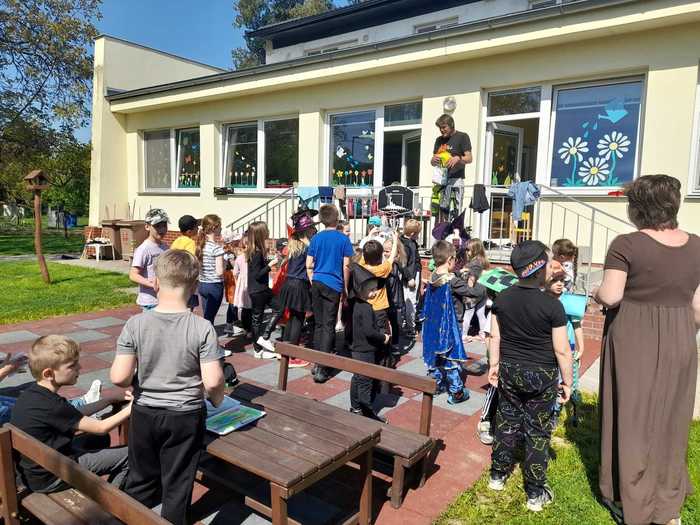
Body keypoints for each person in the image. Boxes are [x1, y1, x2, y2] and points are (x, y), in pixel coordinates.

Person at [595, 175, 700, 525]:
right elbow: (699, 309)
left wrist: (595, 292)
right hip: (681, 336)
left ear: (638, 208)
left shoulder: (626, 244)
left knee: (633, 418)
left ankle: (632, 500)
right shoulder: (698, 245)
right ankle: (667, 505)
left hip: (634, 337)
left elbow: (612, 295)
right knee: (671, 419)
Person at [110, 249, 225, 525]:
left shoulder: (135, 324)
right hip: (184, 415)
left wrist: (135, 381)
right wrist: (217, 399)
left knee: (141, 476)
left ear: (156, 283)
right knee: (178, 482)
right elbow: (213, 381)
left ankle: (131, 518)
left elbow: (119, 377)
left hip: (144, 412)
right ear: (194, 286)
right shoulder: (202, 327)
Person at [487, 240, 572, 512]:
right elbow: (562, 350)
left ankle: (497, 475)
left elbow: (495, 337)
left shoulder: (502, 298)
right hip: (542, 375)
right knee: (537, 431)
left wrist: (493, 365)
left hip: (510, 370)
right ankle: (535, 493)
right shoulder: (552, 305)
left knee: (506, 422)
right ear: (538, 268)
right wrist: (567, 381)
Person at [10, 335, 131, 493]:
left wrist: (108, 400)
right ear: (48, 374)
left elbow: (73, 414)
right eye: (72, 365)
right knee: (131, 456)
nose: (79, 367)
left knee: (99, 439)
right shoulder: (52, 405)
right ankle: (113, 500)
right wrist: (131, 407)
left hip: (36, 471)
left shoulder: (33, 394)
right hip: (52, 476)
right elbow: (101, 427)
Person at [259, 213, 316, 369]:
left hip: (289, 284)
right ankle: (292, 356)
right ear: (306, 230)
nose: (313, 230)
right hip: (299, 285)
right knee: (298, 319)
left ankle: (285, 351)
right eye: (311, 227)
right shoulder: (307, 247)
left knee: (292, 318)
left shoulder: (293, 245)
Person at [306, 205, 354, 383]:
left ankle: (317, 362)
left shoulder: (316, 238)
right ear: (336, 218)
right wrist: (345, 288)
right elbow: (346, 265)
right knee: (328, 325)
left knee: (319, 324)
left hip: (318, 282)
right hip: (333, 284)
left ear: (322, 219)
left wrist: (313, 280)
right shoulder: (343, 239)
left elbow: (308, 264)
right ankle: (322, 367)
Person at [422, 240, 470, 404]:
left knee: (436, 354)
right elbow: (472, 292)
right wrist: (471, 280)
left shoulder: (433, 275)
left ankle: (434, 385)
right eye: (455, 259)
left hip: (433, 323)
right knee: (451, 356)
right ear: (450, 260)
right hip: (450, 324)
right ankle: (456, 392)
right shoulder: (452, 280)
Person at [545, 261, 584, 421]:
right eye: (555, 280)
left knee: (564, 380)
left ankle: (556, 413)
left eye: (562, 280)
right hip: (547, 348)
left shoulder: (569, 301)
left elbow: (577, 325)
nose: (560, 283)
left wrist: (581, 348)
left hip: (567, 348)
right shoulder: (541, 300)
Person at [349, 276, 391, 422]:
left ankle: (355, 407)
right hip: (366, 350)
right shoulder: (366, 307)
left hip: (356, 348)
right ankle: (367, 413)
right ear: (361, 290)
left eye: (375, 289)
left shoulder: (355, 304)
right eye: (371, 290)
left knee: (357, 378)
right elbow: (369, 332)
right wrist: (383, 337)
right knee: (365, 381)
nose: (375, 292)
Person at [246, 221, 283, 359]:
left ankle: (258, 350)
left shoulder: (253, 250)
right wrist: (270, 265)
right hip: (259, 290)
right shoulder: (256, 252)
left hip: (256, 290)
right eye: (266, 230)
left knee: (257, 319)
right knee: (279, 308)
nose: (268, 231)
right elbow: (257, 274)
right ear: (260, 234)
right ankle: (265, 337)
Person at [430, 114, 472, 221]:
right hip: (440, 181)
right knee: (441, 213)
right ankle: (442, 231)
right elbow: (433, 161)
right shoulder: (439, 140)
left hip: (456, 180)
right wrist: (432, 160)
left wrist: (458, 158)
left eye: (444, 127)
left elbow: (469, 158)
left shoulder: (462, 137)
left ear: (451, 125)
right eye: (440, 128)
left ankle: (455, 231)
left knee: (456, 213)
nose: (441, 130)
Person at [130, 208, 169, 310]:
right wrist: (152, 284)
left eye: (164, 225)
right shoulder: (144, 249)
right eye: (157, 226)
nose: (162, 229)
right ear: (147, 227)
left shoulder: (165, 247)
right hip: (151, 302)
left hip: (165, 299)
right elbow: (133, 275)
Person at [196, 214, 225, 326]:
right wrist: (225, 263)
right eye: (220, 226)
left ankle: (206, 335)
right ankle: (207, 336)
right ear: (214, 228)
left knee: (207, 315)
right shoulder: (217, 248)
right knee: (209, 319)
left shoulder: (201, 245)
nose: (221, 228)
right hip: (214, 285)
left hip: (202, 284)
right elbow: (219, 272)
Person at [383, 237, 407, 357]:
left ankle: (395, 344)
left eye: (388, 251)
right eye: (384, 251)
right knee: (385, 322)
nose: (385, 253)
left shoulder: (396, 264)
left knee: (395, 323)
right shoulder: (386, 263)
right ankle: (387, 343)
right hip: (388, 298)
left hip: (394, 299)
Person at [171, 214, 201, 310]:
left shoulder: (176, 241)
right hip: (186, 279)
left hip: (175, 277)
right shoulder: (190, 243)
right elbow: (191, 261)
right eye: (196, 227)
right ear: (189, 231)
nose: (198, 228)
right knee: (188, 306)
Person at [399, 218, 421, 341]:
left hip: (413, 274)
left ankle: (408, 325)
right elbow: (403, 263)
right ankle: (410, 328)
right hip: (410, 276)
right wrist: (410, 277)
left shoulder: (409, 242)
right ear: (412, 233)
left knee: (411, 301)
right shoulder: (406, 244)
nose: (418, 236)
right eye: (418, 233)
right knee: (410, 302)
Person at [232, 234, 253, 338]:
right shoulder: (253, 256)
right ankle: (250, 329)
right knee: (251, 307)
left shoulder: (239, 258)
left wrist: (238, 282)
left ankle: (246, 329)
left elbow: (235, 273)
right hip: (251, 282)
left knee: (244, 307)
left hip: (242, 283)